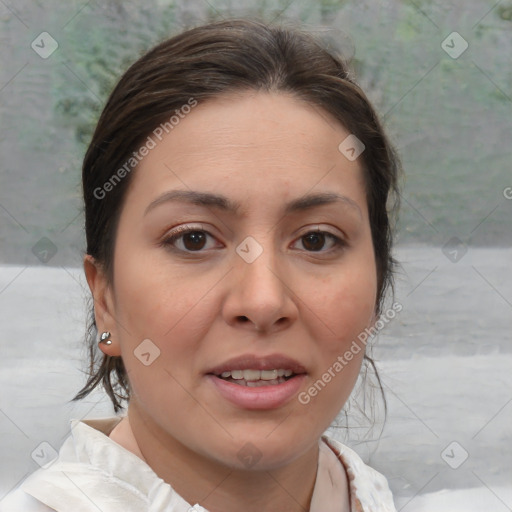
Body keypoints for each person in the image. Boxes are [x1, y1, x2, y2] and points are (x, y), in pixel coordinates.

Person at [1, 18, 400, 512]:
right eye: (193, 240)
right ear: (104, 298)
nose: (263, 301)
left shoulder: (372, 494)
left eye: (316, 240)